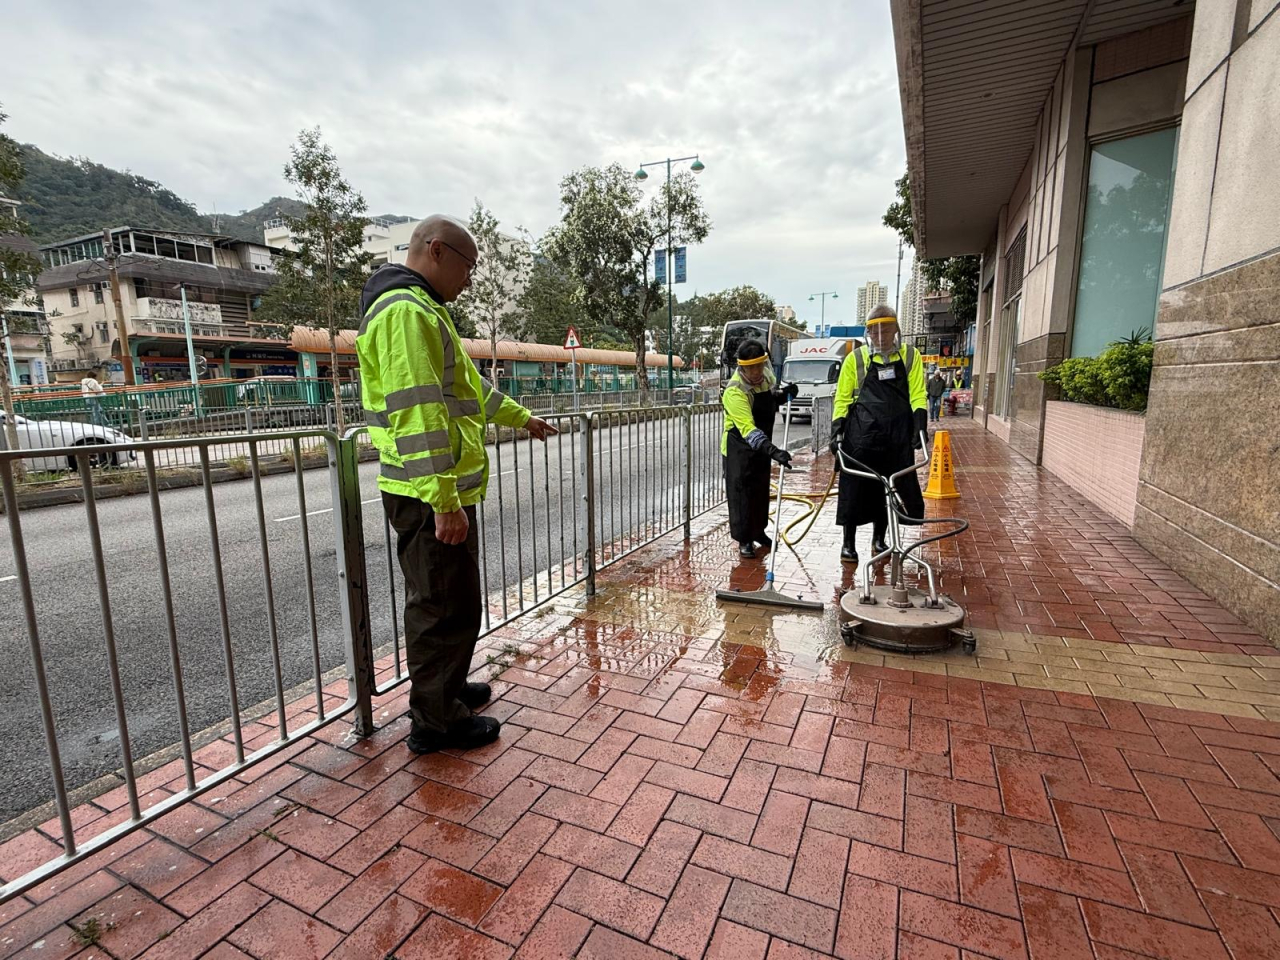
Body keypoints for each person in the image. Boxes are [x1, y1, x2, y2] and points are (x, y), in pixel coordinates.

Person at [357, 215, 558, 755]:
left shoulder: (426, 311)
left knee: (458, 600)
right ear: (438, 251)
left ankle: (446, 689)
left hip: (437, 491)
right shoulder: (405, 313)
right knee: (439, 604)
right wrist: (444, 501)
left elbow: (471, 390)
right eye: (468, 267)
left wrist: (523, 419)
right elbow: (419, 413)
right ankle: (435, 722)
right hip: (426, 493)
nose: (469, 280)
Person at [829, 305, 927, 565]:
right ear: (869, 332)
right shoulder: (857, 359)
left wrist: (920, 424)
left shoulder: (909, 356)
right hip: (862, 436)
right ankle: (848, 543)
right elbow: (843, 397)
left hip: (896, 437)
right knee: (854, 488)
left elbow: (917, 393)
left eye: (886, 328)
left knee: (887, 488)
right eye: (875, 330)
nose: (881, 335)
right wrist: (837, 427)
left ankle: (878, 539)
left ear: (896, 329)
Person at [721, 339, 797, 558]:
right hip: (740, 448)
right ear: (742, 367)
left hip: (762, 448)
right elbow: (749, 430)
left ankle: (759, 532)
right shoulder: (734, 391)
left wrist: (784, 395)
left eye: (760, 365)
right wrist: (775, 451)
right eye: (751, 367)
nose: (756, 372)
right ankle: (744, 538)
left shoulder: (766, 378)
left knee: (760, 490)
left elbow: (771, 400)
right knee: (742, 493)